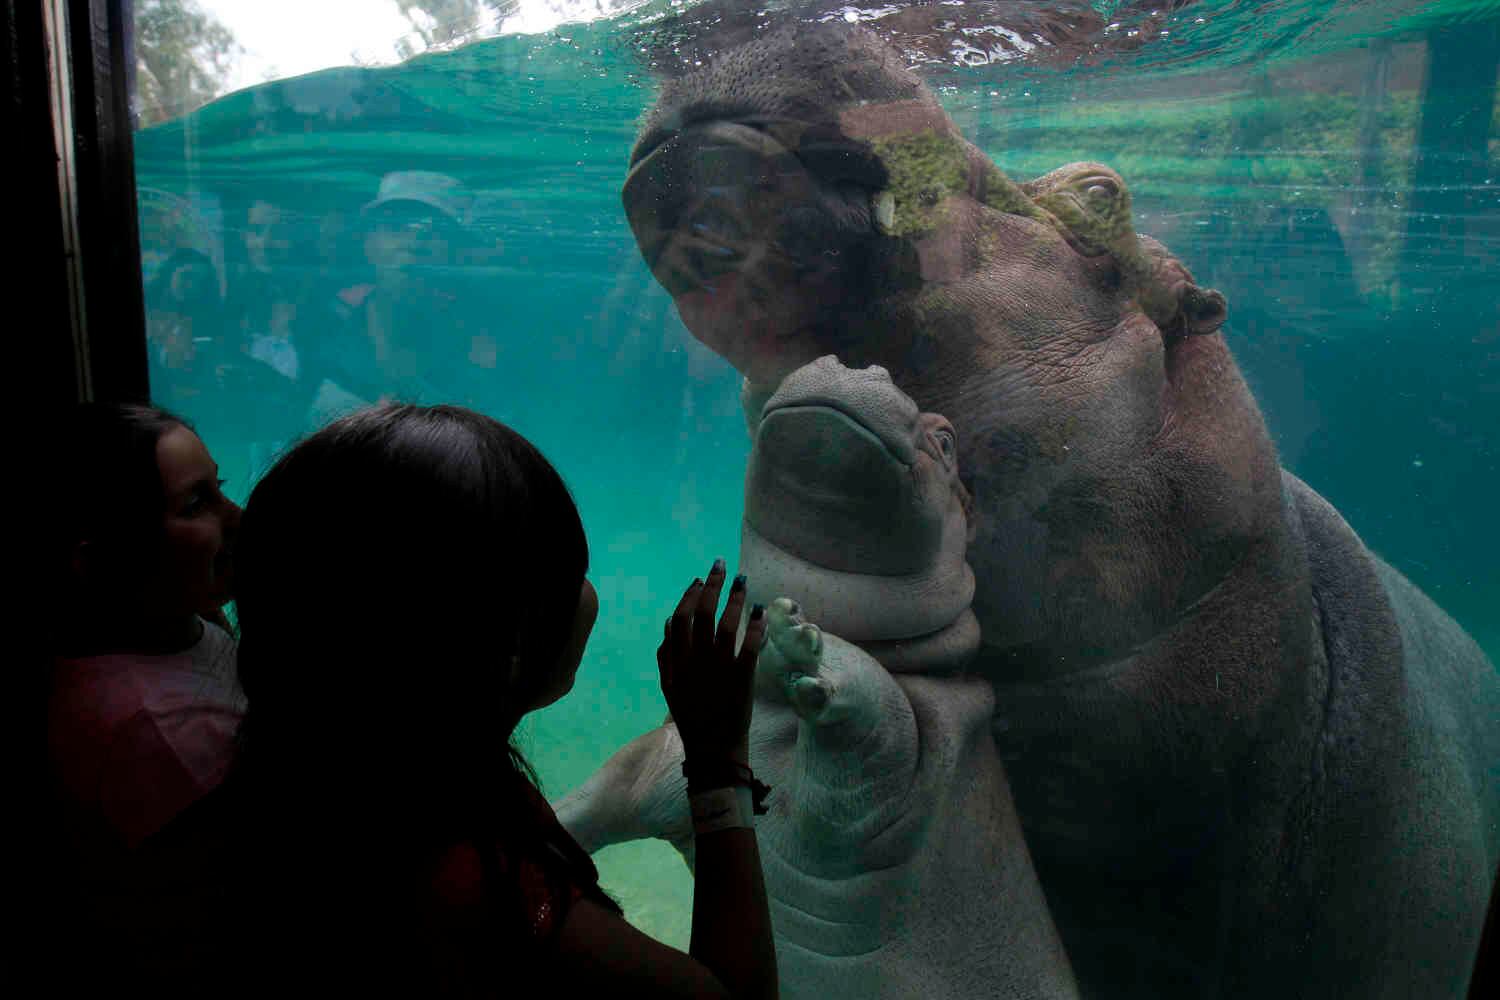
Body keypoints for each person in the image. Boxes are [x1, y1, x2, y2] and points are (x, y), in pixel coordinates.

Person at [169, 403, 777, 997]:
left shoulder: (298, 789)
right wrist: (718, 763)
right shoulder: (475, 889)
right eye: (572, 573)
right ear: (505, 642)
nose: (587, 593)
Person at [36, 403, 244, 987]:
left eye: (220, 489)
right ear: (100, 561)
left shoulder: (177, 623)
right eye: (197, 504)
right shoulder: (161, 735)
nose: (238, 516)